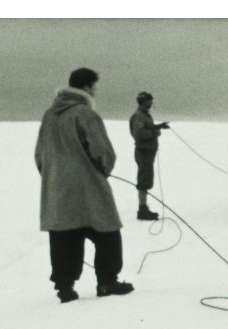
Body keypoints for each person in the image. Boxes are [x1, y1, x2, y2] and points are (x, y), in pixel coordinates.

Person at [35, 68, 134, 303]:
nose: (96, 91)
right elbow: (104, 153)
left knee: (63, 236)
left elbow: (39, 156)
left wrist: (54, 177)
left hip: (58, 190)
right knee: (107, 233)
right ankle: (107, 282)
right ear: (88, 87)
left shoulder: (49, 115)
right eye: (95, 87)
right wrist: (100, 173)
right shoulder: (86, 114)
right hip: (88, 188)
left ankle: (65, 288)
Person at [129, 92, 169, 220]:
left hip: (147, 152)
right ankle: (142, 209)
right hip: (143, 152)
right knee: (143, 181)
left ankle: (143, 208)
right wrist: (156, 132)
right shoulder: (138, 116)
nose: (151, 103)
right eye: (149, 101)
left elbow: (147, 128)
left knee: (145, 179)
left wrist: (159, 126)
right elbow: (139, 133)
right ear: (143, 101)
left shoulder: (144, 115)